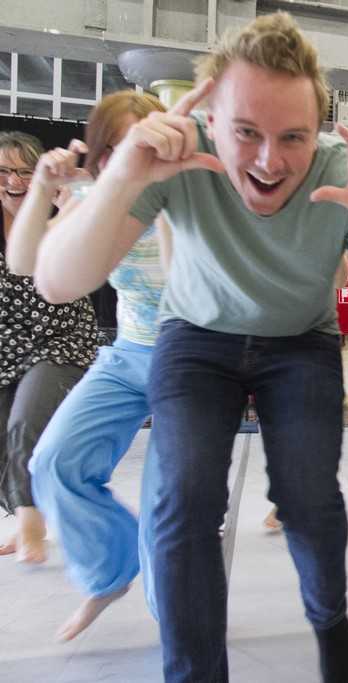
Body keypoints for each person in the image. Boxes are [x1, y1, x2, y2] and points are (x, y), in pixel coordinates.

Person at [31, 12, 348, 683]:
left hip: (300, 341)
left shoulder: (340, 172)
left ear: (318, 131)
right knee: (184, 499)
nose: (270, 162)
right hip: (196, 338)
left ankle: (328, 616)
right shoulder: (174, 153)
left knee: (308, 497)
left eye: (293, 137)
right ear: (210, 120)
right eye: (246, 132)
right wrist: (123, 176)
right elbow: (57, 278)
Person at [7, 91, 170, 642]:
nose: (135, 155)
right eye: (120, 145)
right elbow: (27, 261)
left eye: (146, 141)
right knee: (51, 463)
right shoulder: (94, 196)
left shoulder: (191, 191)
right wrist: (44, 190)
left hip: (191, 361)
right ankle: (109, 573)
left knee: (165, 505)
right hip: (128, 354)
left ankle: (174, 619)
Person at [0, 132, 99, 566]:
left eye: (24, 170)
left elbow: (42, 252)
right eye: (4, 171)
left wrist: (60, 205)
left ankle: (30, 527)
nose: (14, 181)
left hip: (60, 338)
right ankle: (27, 514)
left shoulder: (66, 206)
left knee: (26, 419)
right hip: (5, 344)